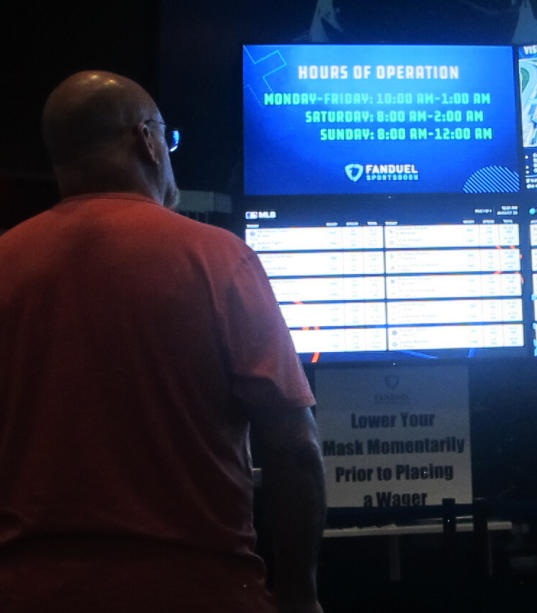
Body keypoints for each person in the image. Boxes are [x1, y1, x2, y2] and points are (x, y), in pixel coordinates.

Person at [0, 71, 326, 613]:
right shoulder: (220, 260)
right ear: (146, 141)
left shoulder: (5, 263)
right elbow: (293, 448)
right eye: (167, 138)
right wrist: (299, 594)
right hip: (200, 591)